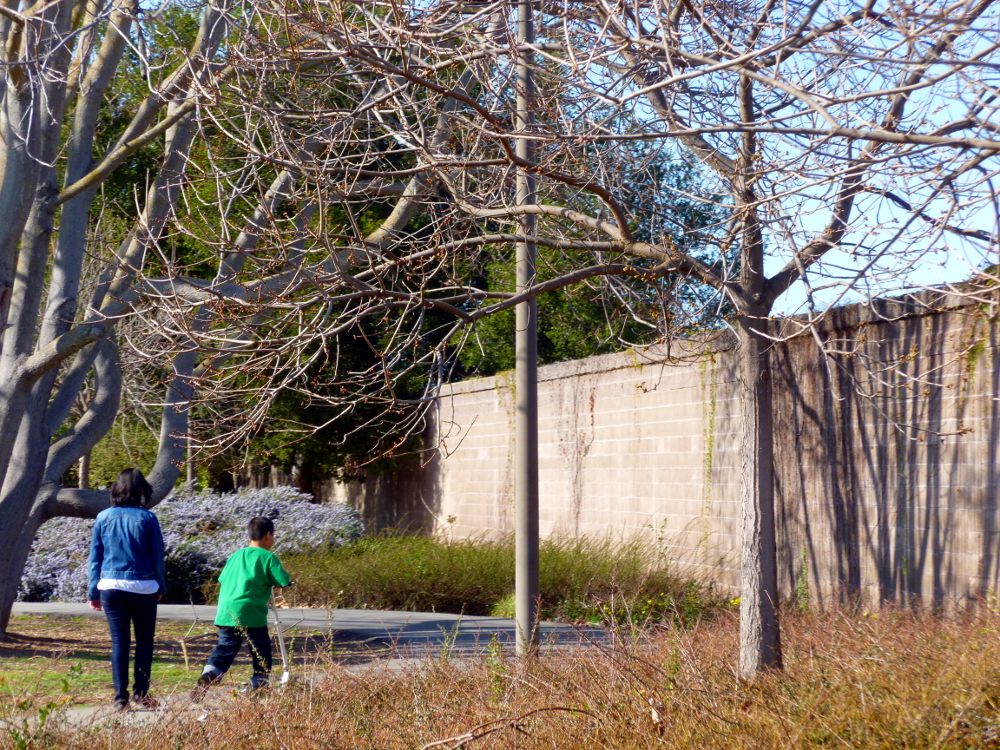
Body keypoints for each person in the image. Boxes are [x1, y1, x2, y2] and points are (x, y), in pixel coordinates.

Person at [87, 468, 166, 711]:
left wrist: (93, 592)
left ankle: (120, 699)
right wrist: (161, 585)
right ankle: (141, 695)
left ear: (116, 489)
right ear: (141, 490)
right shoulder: (148, 518)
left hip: (110, 585)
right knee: (144, 642)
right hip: (143, 586)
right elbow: (157, 556)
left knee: (119, 642)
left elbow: (95, 559)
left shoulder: (103, 517)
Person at [192, 516, 291, 699]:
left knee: (225, 648)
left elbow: (223, 579)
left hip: (227, 612)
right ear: (269, 535)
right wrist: (278, 583)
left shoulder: (236, 555)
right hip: (251, 613)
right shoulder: (269, 557)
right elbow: (284, 581)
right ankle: (259, 686)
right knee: (261, 650)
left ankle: (209, 675)